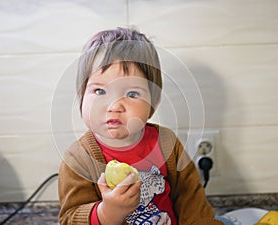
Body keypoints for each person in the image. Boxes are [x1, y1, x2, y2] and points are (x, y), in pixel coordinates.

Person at [58, 27, 224, 225]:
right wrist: (106, 213)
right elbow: (70, 218)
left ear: (153, 102)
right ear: (82, 96)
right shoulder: (78, 159)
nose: (114, 106)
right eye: (100, 91)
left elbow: (191, 200)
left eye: (132, 94)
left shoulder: (166, 143)